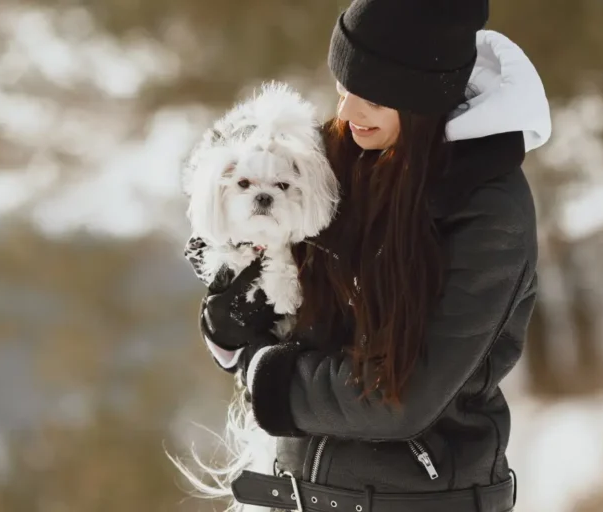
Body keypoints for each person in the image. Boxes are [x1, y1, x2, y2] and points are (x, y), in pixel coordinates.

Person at [191, 0, 551, 510]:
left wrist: (264, 376)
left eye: (373, 101)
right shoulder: (334, 159)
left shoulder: (489, 215)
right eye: (343, 88)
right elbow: (276, 308)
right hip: (295, 496)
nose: (346, 114)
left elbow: (397, 398)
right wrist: (230, 323)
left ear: (425, 101)